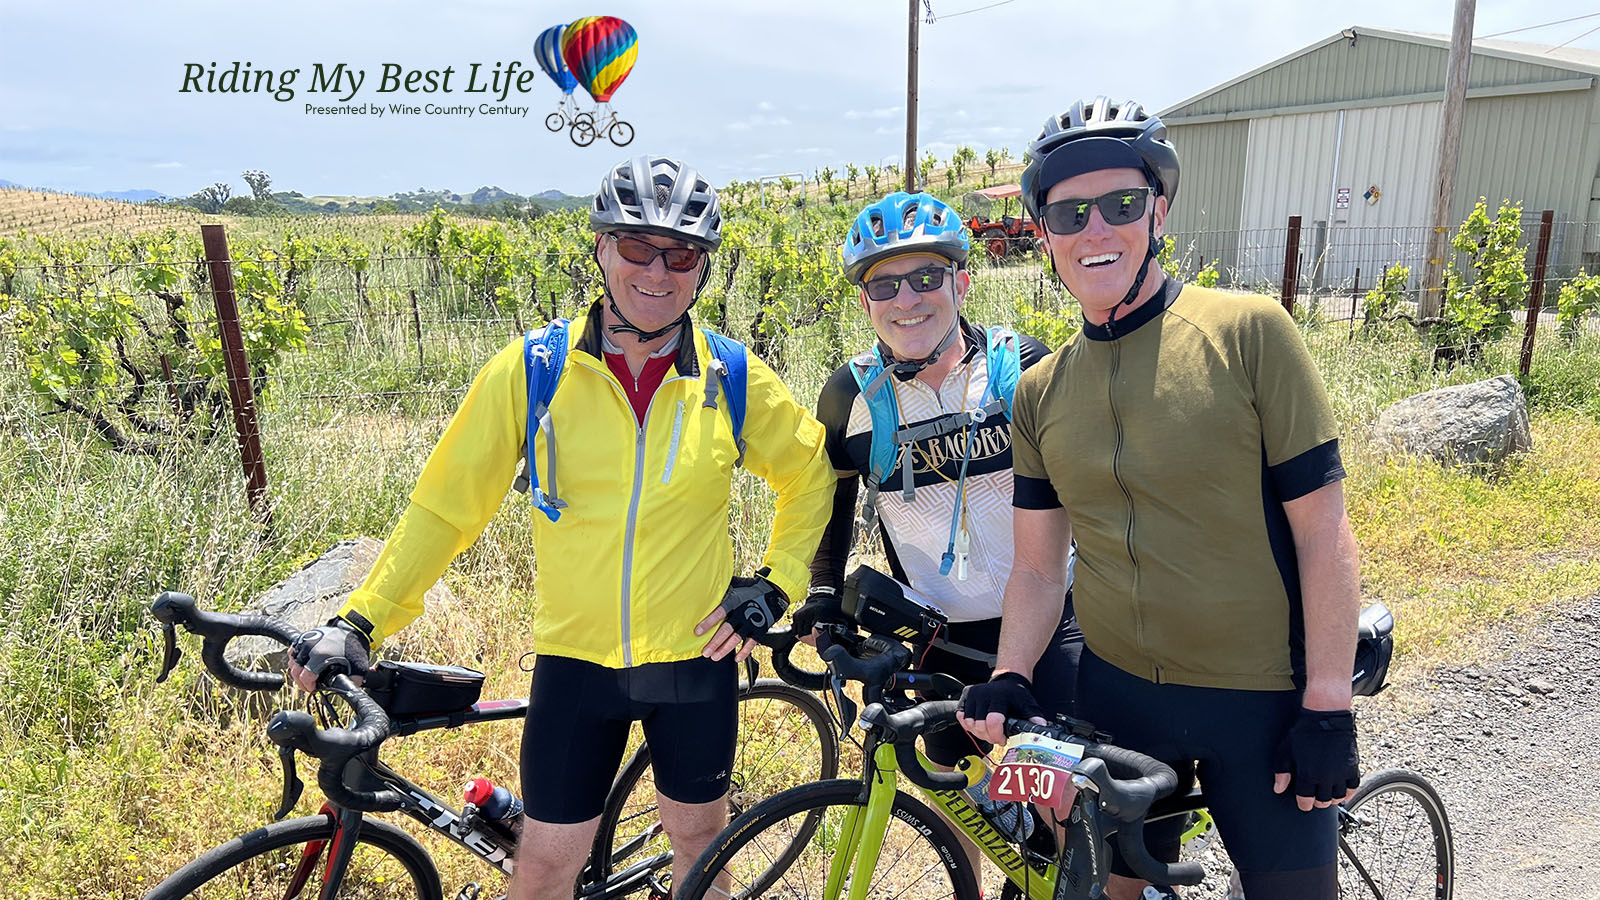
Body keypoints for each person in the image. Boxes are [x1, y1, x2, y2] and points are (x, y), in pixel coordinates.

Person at [286, 156, 836, 900]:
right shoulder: (532, 369)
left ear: (702, 270)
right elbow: (447, 507)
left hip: (693, 660)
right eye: (637, 247)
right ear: (601, 250)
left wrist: (778, 583)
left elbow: (810, 474)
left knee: (701, 845)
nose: (657, 271)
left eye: (681, 255)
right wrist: (361, 618)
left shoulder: (731, 378)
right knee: (545, 867)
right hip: (577, 664)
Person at [957, 97, 1362, 900]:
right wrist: (1011, 670)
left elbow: (1324, 533)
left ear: (1159, 211)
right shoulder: (1039, 390)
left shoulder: (1249, 332)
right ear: (1044, 234)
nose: (1095, 229)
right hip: (1117, 702)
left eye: (1121, 204)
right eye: (1070, 213)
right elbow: (1039, 571)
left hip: (1261, 701)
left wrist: (1328, 701)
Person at [794, 190, 1083, 871]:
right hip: (940, 637)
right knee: (961, 792)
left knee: (1061, 799)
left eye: (927, 277)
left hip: (1051, 622)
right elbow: (832, 507)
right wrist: (822, 597)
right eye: (885, 284)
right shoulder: (851, 395)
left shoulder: (1021, 369)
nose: (908, 299)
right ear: (864, 302)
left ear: (962, 282)